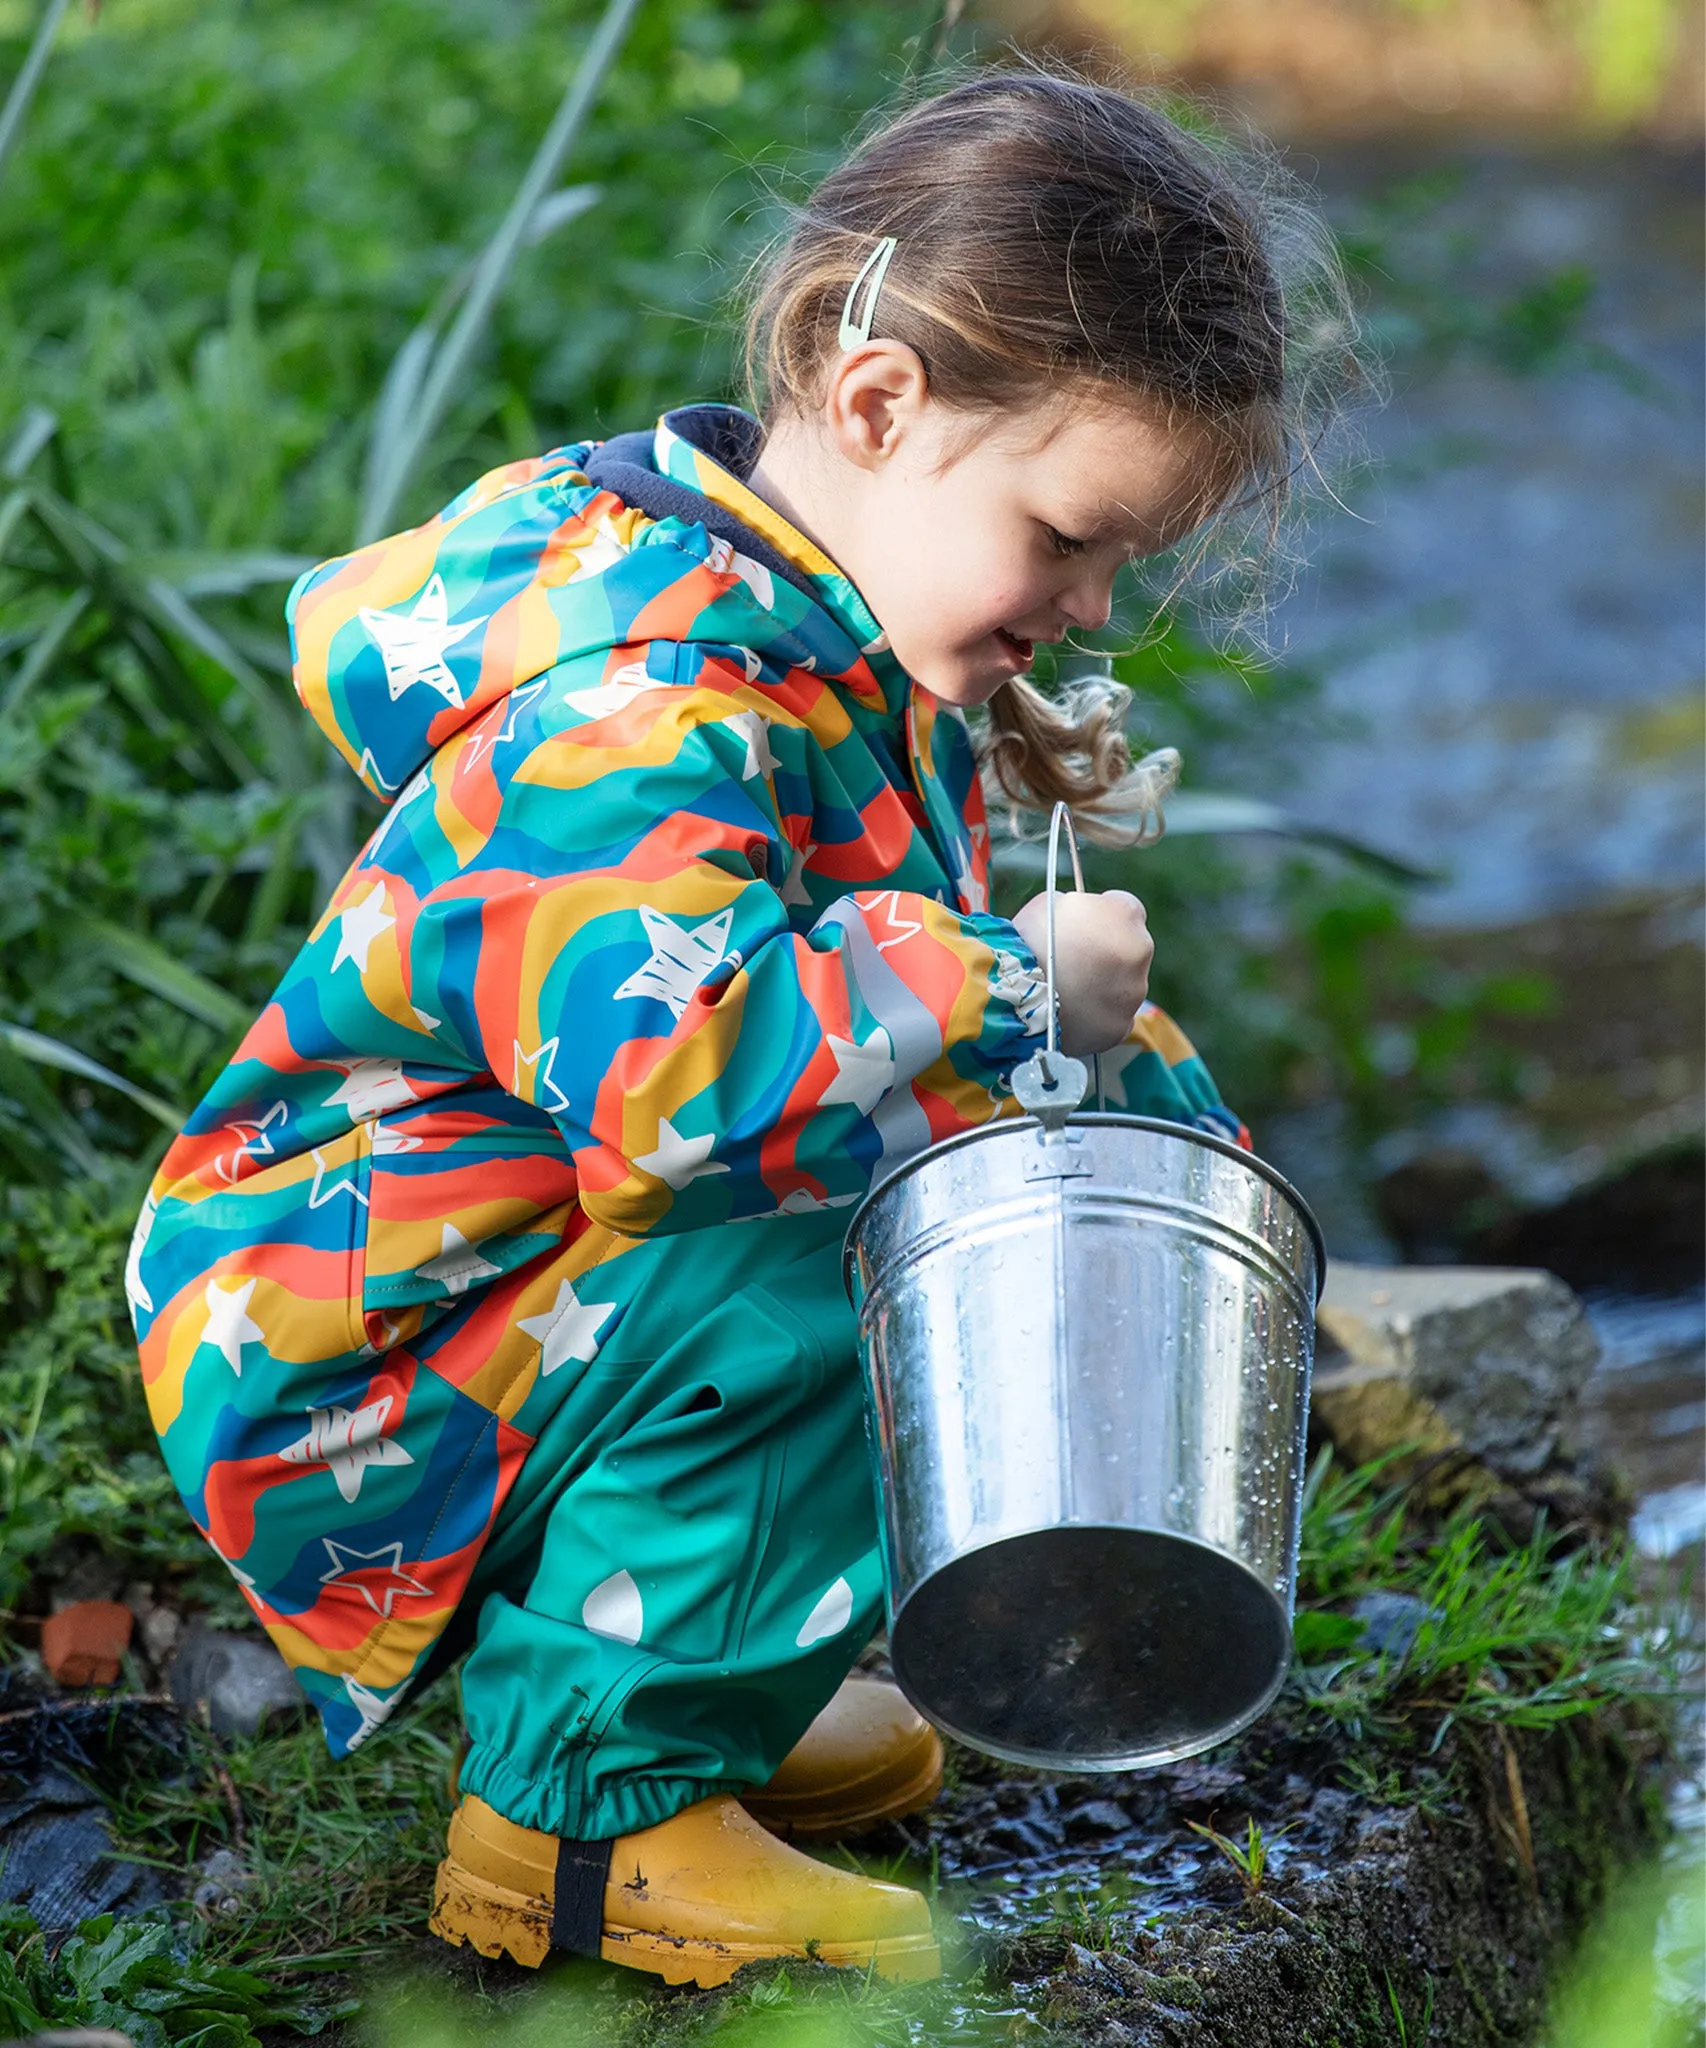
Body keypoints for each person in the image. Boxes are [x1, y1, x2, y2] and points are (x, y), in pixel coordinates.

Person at [128, 67, 1350, 1988]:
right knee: (869, 1247)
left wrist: (963, 719)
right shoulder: (644, 707)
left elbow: (798, 877)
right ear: (878, 406)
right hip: (352, 1341)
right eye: (1065, 538)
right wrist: (1015, 979)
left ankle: (701, 1689)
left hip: (483, 1273)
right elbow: (679, 1097)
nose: (1091, 601)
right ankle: (583, 1825)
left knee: (983, 1168)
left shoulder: (779, 618)